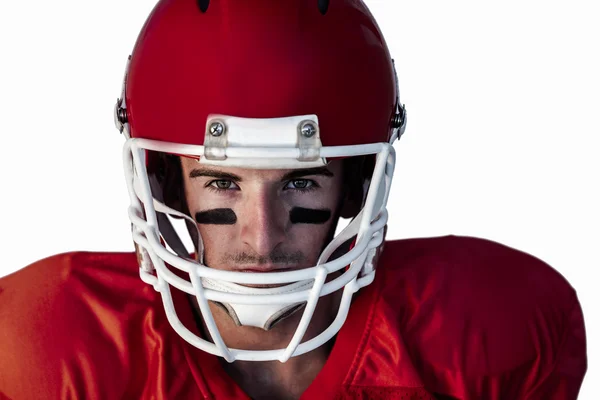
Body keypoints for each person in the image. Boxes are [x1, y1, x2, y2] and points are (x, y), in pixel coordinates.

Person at [0, 0, 587, 399]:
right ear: (165, 183)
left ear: (357, 185)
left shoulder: (479, 337)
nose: (262, 237)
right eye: (223, 181)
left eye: (301, 182)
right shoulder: (48, 349)